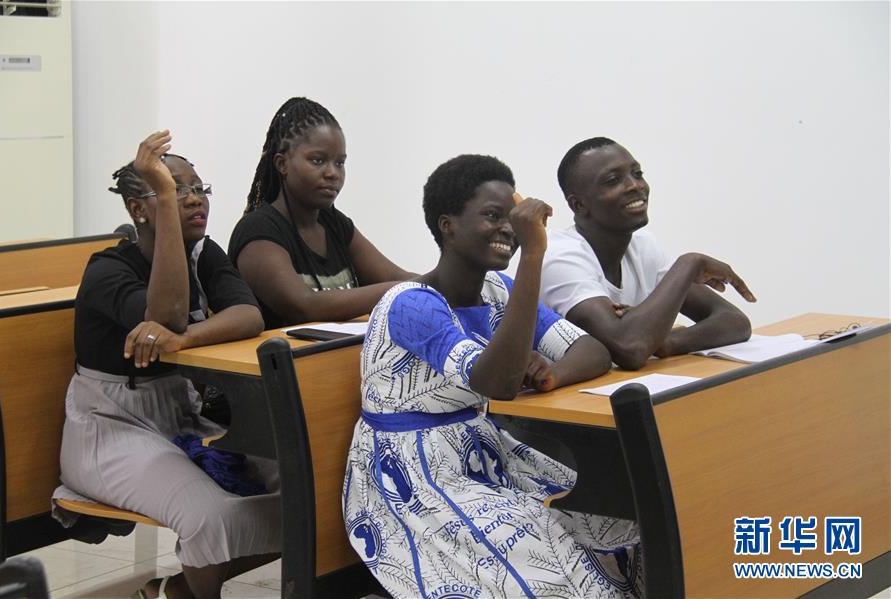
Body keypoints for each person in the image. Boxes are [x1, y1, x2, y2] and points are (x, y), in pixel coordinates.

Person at [343, 154, 642, 598]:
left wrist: (551, 374)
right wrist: (534, 253)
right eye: (492, 216)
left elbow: (592, 350)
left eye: (513, 219)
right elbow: (497, 384)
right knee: (550, 564)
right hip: (413, 477)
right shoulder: (412, 303)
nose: (509, 230)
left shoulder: (496, 289)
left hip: (482, 454)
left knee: (615, 525)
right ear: (448, 226)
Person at [52, 131, 280, 599]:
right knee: (210, 515)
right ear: (138, 209)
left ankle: (179, 590)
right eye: (175, 190)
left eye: (199, 188)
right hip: (109, 429)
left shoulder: (204, 254)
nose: (194, 199)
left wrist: (185, 340)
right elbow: (167, 314)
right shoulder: (107, 270)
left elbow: (248, 314)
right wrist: (177, 329)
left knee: (307, 488)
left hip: (179, 415)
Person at [542, 137, 756, 370]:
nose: (635, 186)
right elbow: (630, 348)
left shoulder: (643, 245)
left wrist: (665, 342)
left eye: (637, 174)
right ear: (579, 205)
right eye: (613, 181)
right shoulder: (560, 256)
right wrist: (690, 263)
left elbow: (734, 321)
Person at [228, 97, 414, 328]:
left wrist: (442, 282)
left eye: (340, 163)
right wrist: (405, 289)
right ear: (282, 164)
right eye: (318, 160)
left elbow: (394, 276)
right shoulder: (258, 231)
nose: (332, 173)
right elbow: (304, 306)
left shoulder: (334, 223)